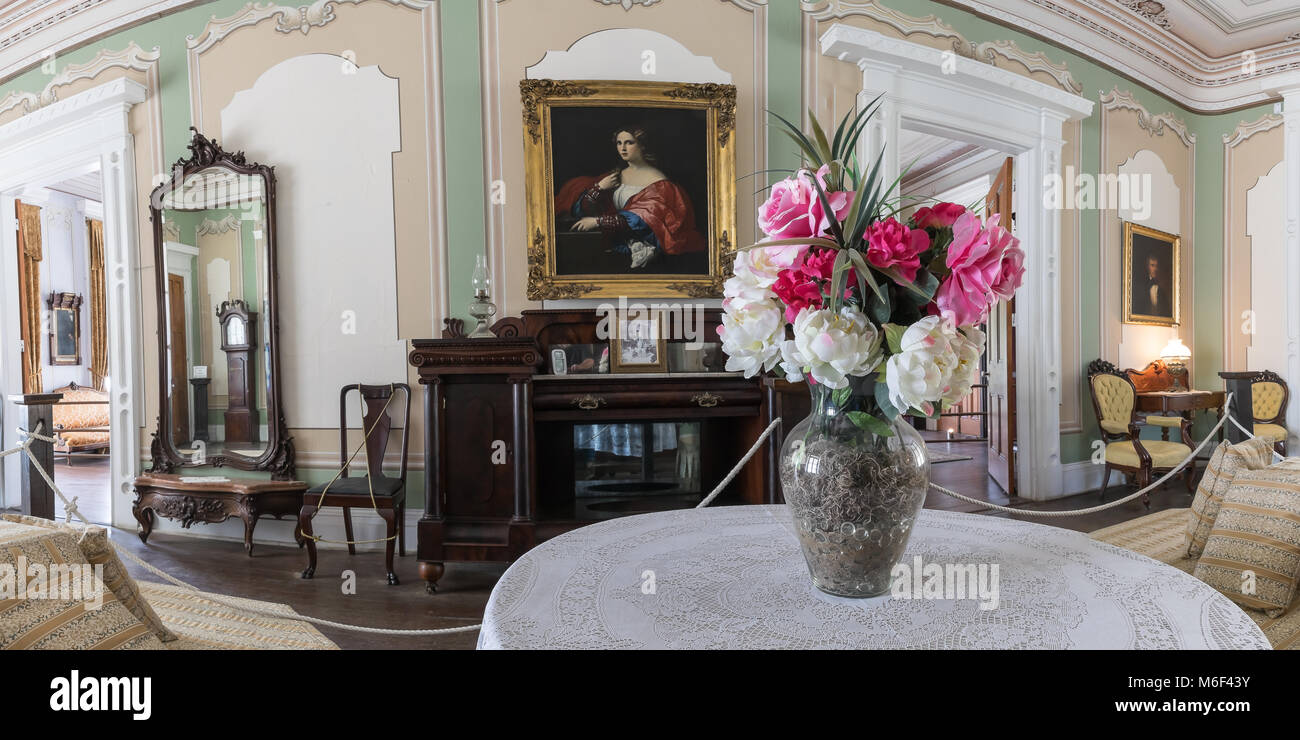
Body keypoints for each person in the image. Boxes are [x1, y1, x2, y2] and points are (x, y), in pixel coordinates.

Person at [555, 125, 706, 270]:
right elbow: (585, 208)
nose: (623, 148)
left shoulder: (659, 181)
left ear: (643, 145)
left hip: (646, 248)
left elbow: (642, 220)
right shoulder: (615, 175)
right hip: (614, 242)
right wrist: (599, 188)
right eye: (619, 143)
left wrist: (598, 221)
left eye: (629, 142)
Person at [1137, 253, 1172, 318]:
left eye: (1156, 266)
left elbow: (1166, 311)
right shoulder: (1141, 286)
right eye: (1152, 265)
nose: (1155, 269)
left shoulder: (1161, 289)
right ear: (1147, 266)